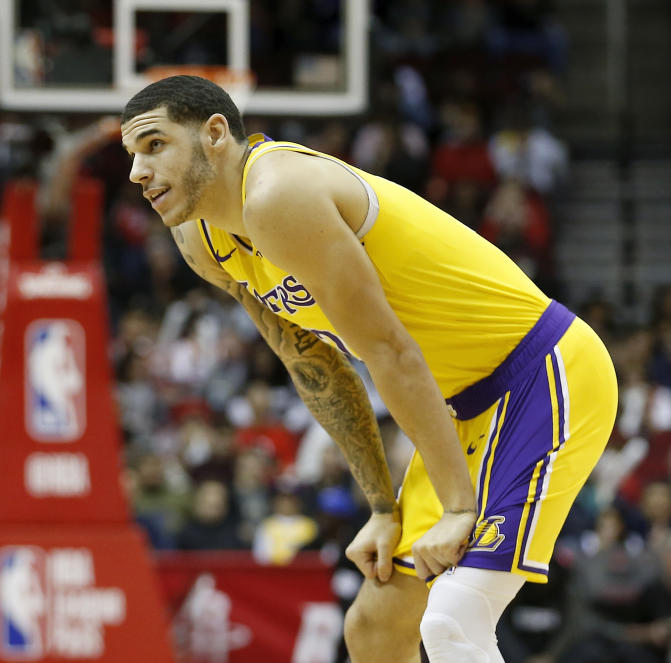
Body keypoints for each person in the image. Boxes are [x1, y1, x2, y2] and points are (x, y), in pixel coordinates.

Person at [120, 75, 618, 663]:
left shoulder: (278, 193)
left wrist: (459, 506)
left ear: (216, 133)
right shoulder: (201, 239)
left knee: (455, 620)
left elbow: (389, 350)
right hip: (459, 409)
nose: (136, 173)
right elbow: (314, 365)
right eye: (131, 155)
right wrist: (383, 508)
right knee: (376, 630)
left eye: (155, 146)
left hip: (542, 374)